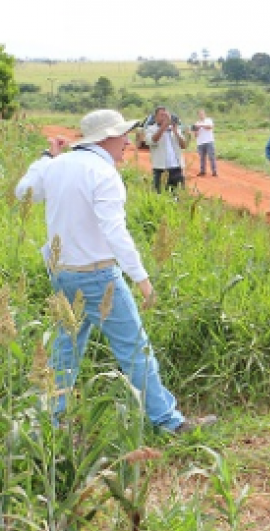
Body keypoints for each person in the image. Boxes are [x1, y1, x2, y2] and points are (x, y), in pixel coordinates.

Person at [15, 110, 214, 433]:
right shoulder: (103, 173)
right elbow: (115, 232)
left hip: (62, 273)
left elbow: (24, 193)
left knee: (66, 348)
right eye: (123, 135)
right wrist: (143, 280)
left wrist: (46, 156)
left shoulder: (56, 166)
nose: (128, 142)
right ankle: (168, 422)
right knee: (134, 349)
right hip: (97, 276)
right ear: (106, 137)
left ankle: (47, 426)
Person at [146, 105, 189, 193]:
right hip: (160, 169)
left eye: (166, 115)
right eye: (161, 115)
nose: (164, 117)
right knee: (159, 194)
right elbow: (153, 140)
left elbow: (184, 145)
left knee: (177, 194)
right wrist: (163, 127)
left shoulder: (174, 129)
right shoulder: (151, 129)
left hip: (176, 167)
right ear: (156, 117)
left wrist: (176, 132)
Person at [193, 109, 217, 177]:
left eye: (202, 114)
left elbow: (210, 127)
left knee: (211, 157)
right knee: (202, 158)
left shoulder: (208, 120)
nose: (201, 115)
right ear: (198, 115)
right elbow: (196, 135)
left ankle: (214, 171)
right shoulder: (196, 123)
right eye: (200, 114)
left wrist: (201, 126)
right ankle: (202, 171)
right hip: (200, 142)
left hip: (209, 141)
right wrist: (196, 130)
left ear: (204, 114)